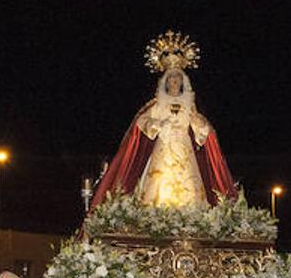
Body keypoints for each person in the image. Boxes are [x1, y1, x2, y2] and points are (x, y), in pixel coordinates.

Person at [88, 30, 236, 210]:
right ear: (165, 81)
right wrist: (158, 124)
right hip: (163, 151)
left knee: (190, 190)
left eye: (178, 78)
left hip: (184, 151)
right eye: (171, 78)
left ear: (183, 81)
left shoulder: (190, 104)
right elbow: (141, 123)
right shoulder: (157, 104)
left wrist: (201, 125)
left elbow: (201, 130)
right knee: (157, 191)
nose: (174, 81)